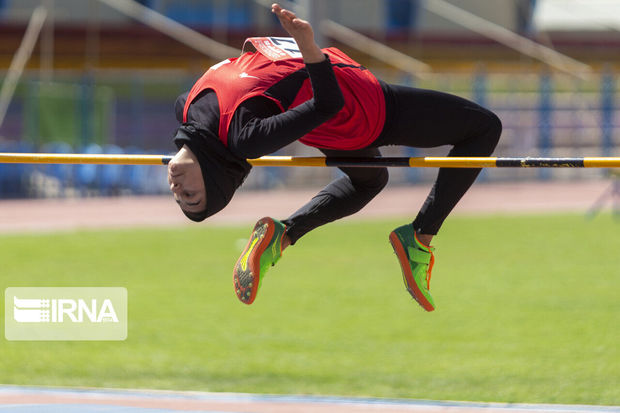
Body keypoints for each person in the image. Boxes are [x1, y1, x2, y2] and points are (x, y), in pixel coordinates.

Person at [167, 3, 502, 312]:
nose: (177, 190)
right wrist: (308, 45)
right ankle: (420, 238)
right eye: (191, 196)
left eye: (183, 197)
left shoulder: (187, 109)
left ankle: (280, 237)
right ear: (214, 176)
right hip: (360, 108)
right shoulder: (246, 139)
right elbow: (328, 105)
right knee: (484, 128)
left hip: (336, 112)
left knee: (369, 182)